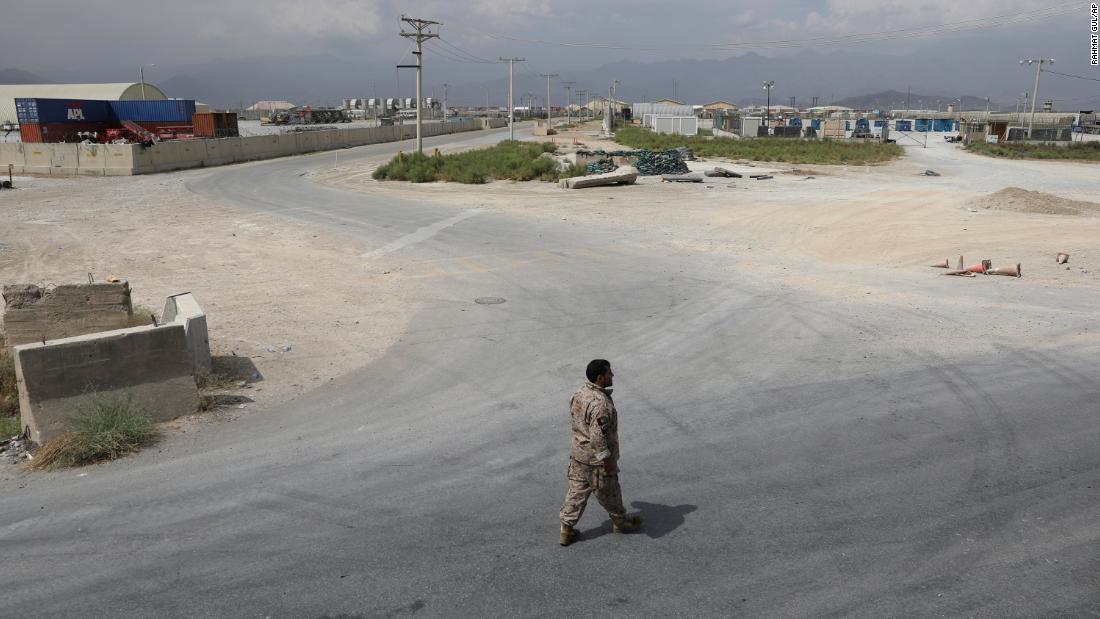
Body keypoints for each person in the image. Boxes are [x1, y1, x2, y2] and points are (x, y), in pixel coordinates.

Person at [559, 359, 642, 546]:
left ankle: (566, 529)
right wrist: (607, 460)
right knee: (610, 491)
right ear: (600, 377)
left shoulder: (579, 393)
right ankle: (620, 522)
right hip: (596, 462)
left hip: (578, 456)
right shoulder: (600, 404)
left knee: (576, 493)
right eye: (609, 373)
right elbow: (598, 438)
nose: (612, 375)